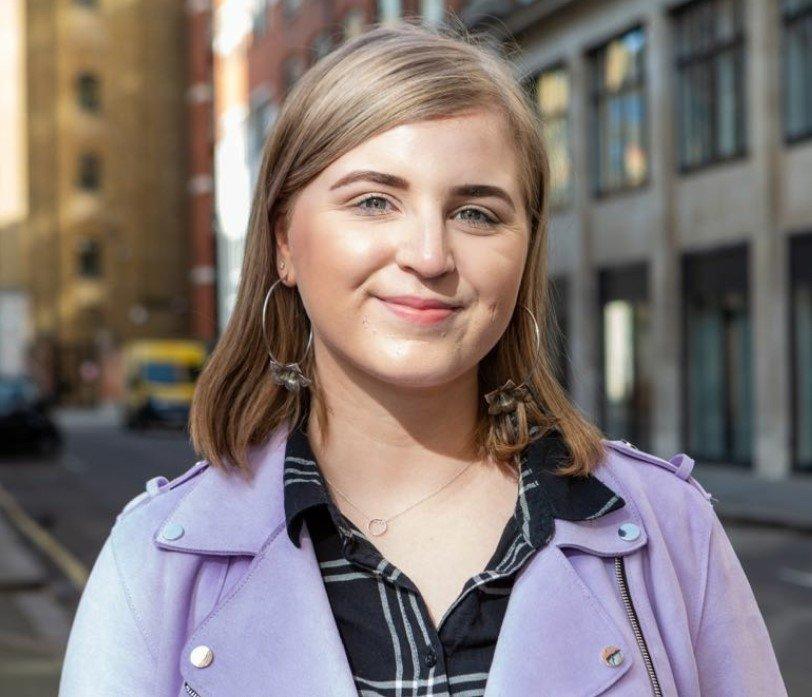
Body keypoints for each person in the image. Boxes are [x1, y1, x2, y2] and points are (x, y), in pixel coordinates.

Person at [58, 19, 787, 697]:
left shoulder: (669, 528)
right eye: (374, 201)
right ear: (283, 241)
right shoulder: (153, 562)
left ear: (526, 248)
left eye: (476, 212)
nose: (430, 256)